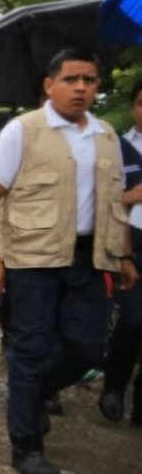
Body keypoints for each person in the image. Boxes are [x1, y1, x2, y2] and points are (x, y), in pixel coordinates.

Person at [0, 48, 137, 474]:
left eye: (89, 80)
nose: (81, 88)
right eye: (71, 79)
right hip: (33, 257)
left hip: (90, 257)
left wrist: (124, 255)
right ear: (50, 85)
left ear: (98, 86)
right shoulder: (23, 130)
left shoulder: (106, 135)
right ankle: (27, 446)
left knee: (89, 350)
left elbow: (114, 203)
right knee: (31, 347)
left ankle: (31, 393)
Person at [101, 81, 142, 426]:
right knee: (132, 319)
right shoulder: (118, 147)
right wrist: (131, 197)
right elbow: (103, 198)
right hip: (131, 242)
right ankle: (113, 386)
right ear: (133, 107)